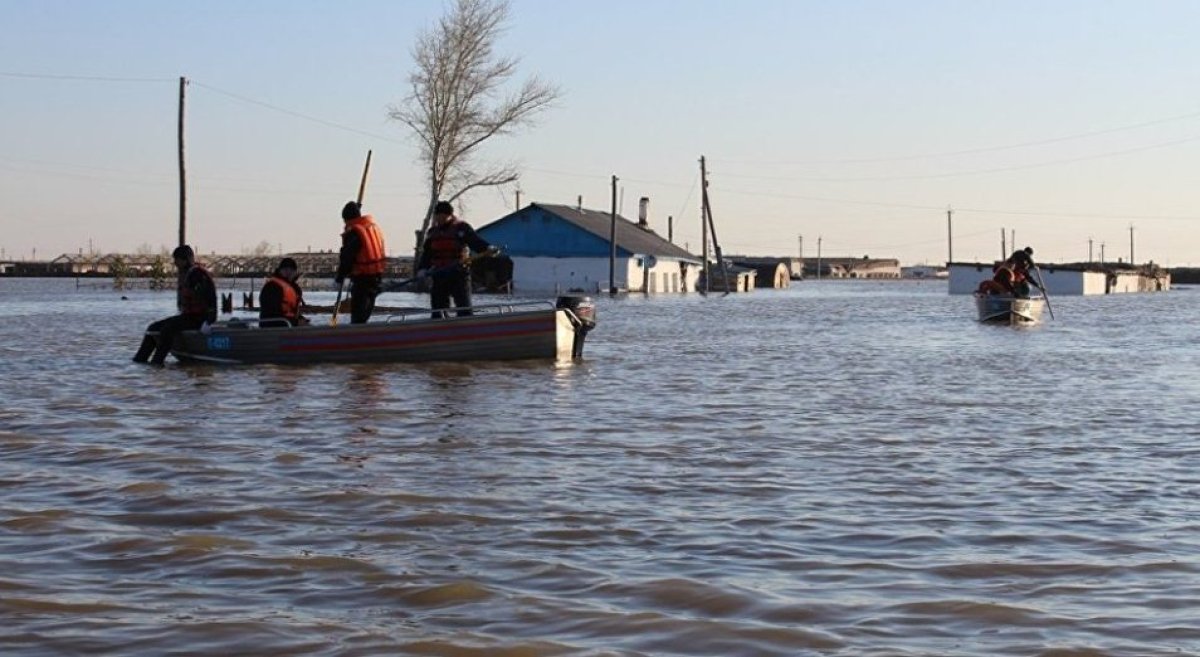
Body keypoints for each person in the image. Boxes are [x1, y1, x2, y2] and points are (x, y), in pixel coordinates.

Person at [132, 244, 217, 365]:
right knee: (153, 328)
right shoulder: (188, 274)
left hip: (199, 319)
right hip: (188, 317)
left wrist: (209, 321)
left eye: (177, 260)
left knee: (168, 329)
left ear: (185, 259)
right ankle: (140, 361)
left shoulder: (198, 275)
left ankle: (157, 362)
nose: (175, 263)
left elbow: (210, 298)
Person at [416, 201, 497, 318]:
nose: (440, 220)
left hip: (458, 273)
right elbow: (427, 254)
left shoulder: (462, 228)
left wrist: (488, 248)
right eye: (438, 216)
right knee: (438, 309)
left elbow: (475, 242)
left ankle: (466, 328)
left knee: (464, 308)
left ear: (449, 215)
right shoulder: (432, 233)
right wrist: (422, 269)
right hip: (439, 273)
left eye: (443, 216)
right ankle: (438, 328)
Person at [335, 201, 387, 324]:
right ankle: (361, 333)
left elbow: (347, 257)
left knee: (359, 315)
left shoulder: (354, 233)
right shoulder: (372, 227)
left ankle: (356, 336)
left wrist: (340, 276)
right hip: (376, 278)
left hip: (362, 280)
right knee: (365, 313)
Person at [259, 257, 309, 326]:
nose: (288, 272)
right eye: (285, 269)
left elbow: (291, 311)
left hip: (288, 325)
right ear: (279, 270)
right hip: (273, 326)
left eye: (291, 269)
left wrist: (300, 319)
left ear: (295, 272)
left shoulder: (294, 288)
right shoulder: (272, 287)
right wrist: (295, 323)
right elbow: (272, 313)